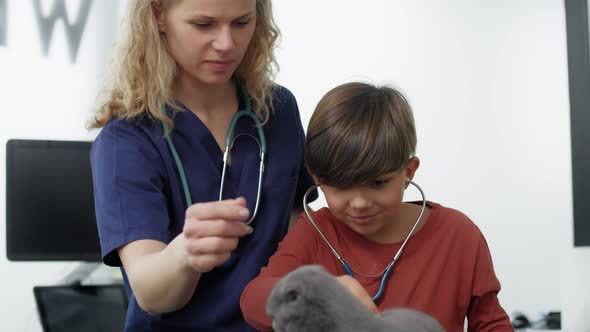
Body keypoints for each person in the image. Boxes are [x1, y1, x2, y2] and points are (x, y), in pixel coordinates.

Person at [88, 0, 315, 331]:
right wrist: (186, 253)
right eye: (204, 25)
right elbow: (152, 294)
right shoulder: (127, 141)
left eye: (241, 23)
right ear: (158, 16)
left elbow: (297, 223)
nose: (226, 44)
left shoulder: (279, 109)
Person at [240, 82, 513, 332]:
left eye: (378, 183)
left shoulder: (458, 235)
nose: (360, 203)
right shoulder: (313, 233)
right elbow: (252, 300)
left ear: (409, 171)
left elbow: (491, 324)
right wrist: (321, 291)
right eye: (341, 185)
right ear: (316, 178)